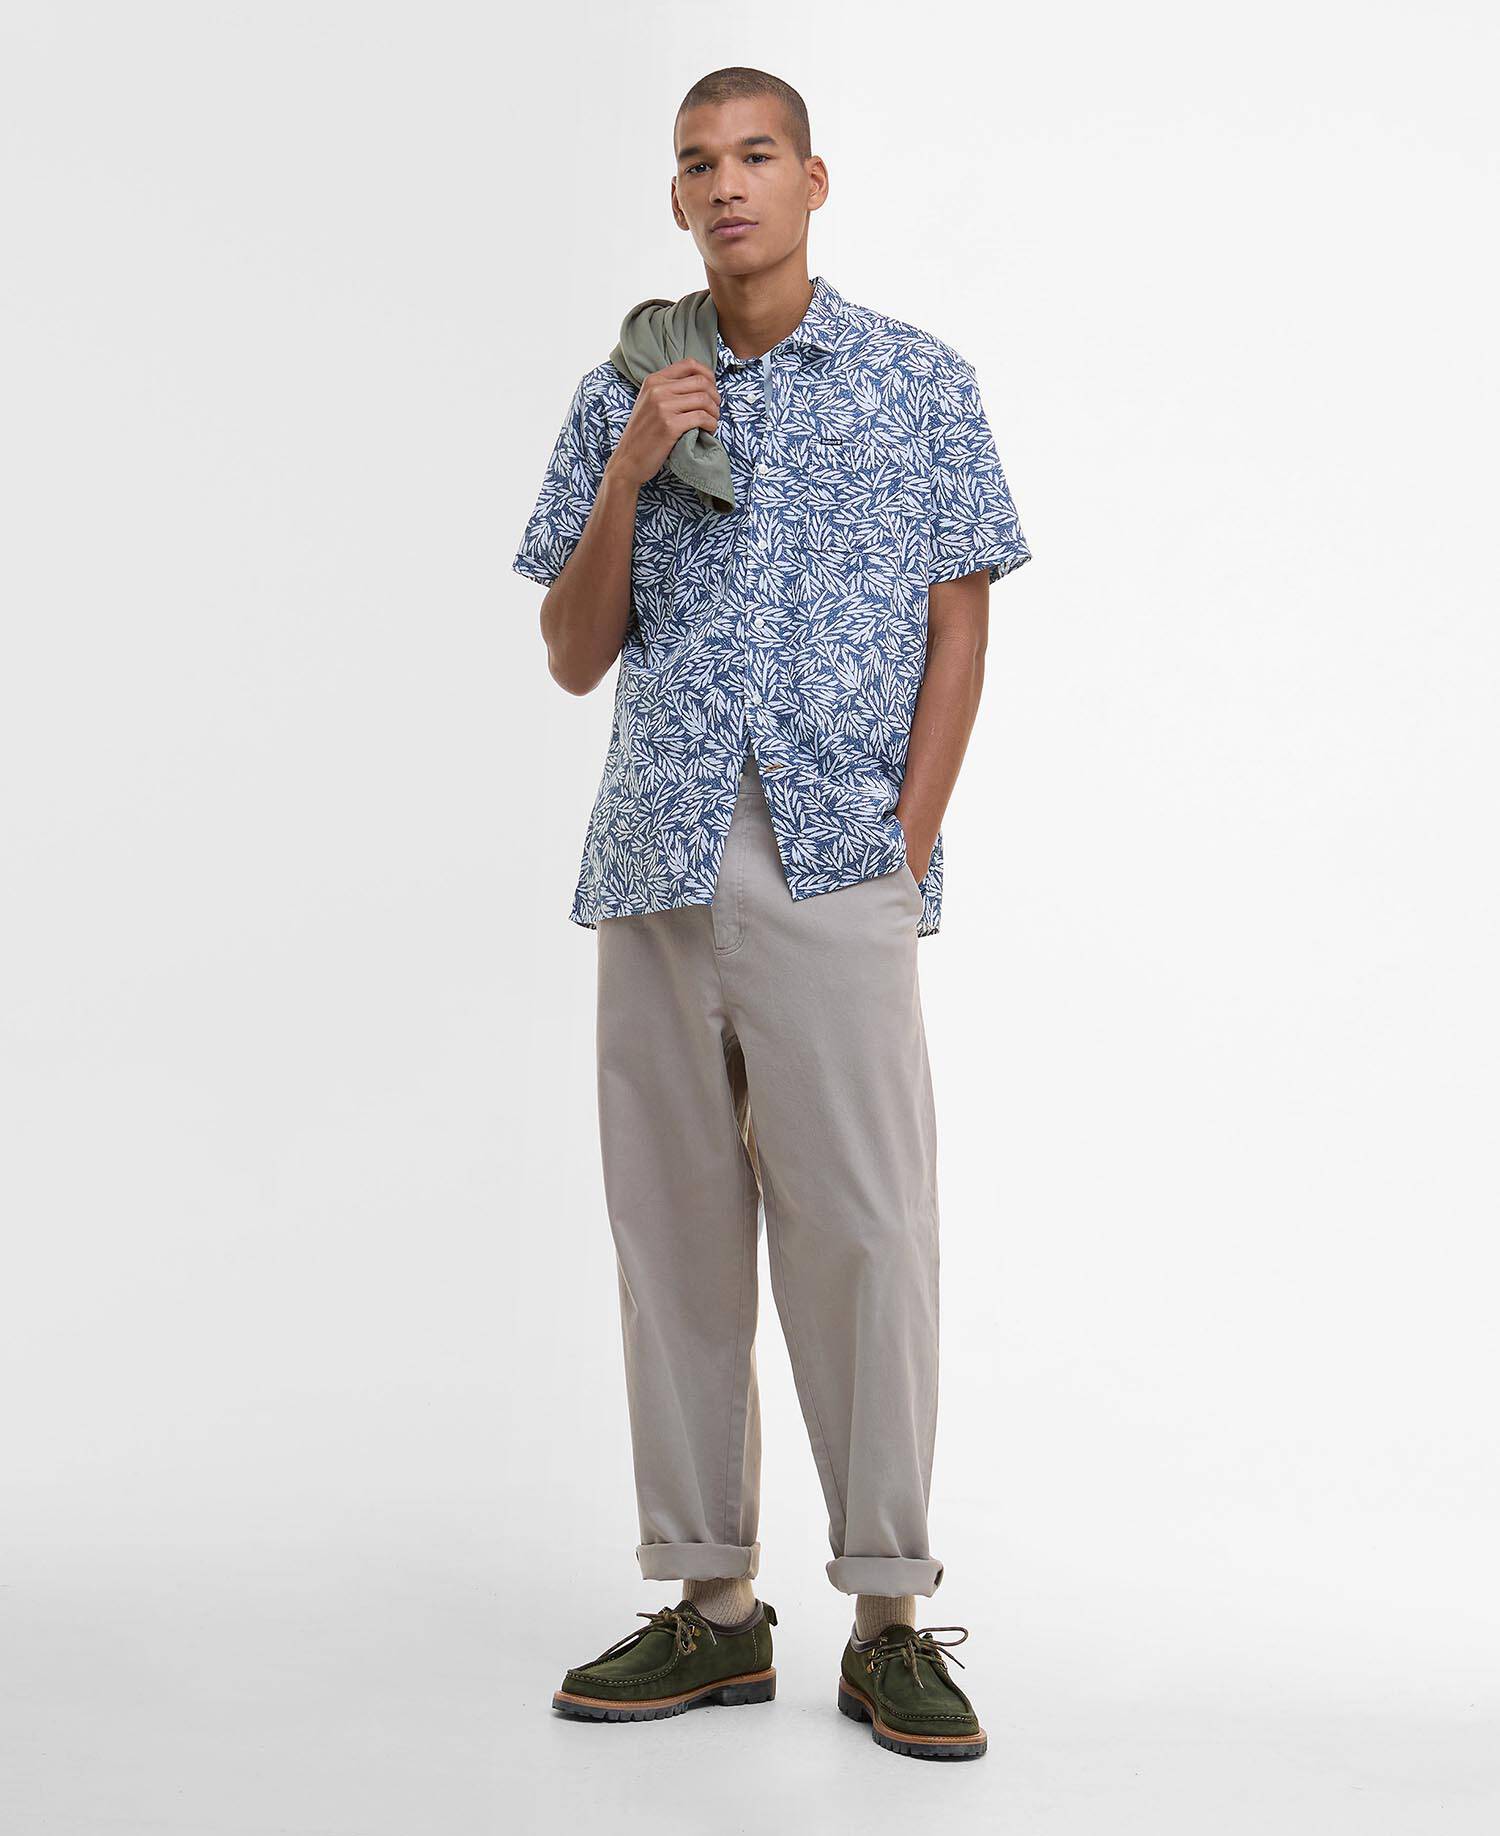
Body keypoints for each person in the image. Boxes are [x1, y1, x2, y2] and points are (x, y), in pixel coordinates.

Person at [512, 65, 1030, 1762]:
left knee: (867, 1233)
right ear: (674, 201)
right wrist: (632, 468)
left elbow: (962, 624)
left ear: (813, 180)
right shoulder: (624, 391)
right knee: (671, 1237)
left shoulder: (918, 381)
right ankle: (712, 1607)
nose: (726, 184)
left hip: (835, 864)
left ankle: (889, 1617)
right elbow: (573, 653)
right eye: (697, 163)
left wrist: (906, 839)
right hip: (657, 860)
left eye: (755, 156)